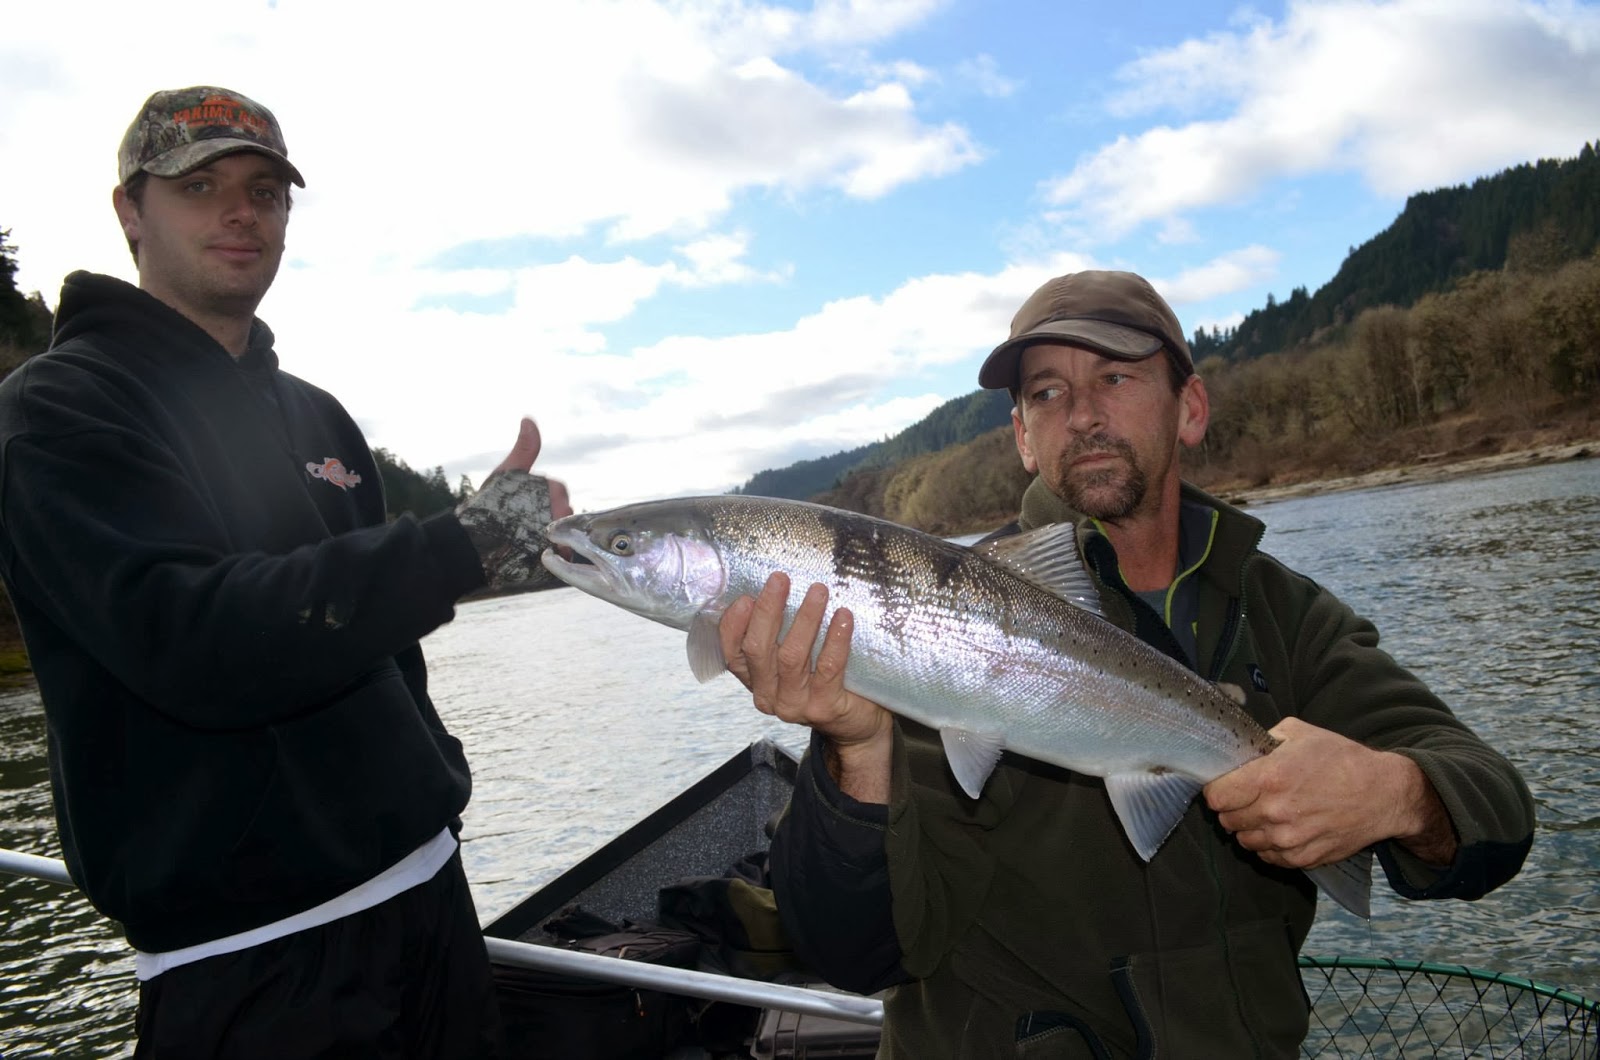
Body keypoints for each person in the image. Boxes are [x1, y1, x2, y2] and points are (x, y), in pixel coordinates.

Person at [717, 270, 1536, 1058]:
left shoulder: (1287, 616)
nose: (1080, 415)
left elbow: (1495, 810)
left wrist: (1396, 797)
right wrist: (856, 748)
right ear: (1022, 440)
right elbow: (854, 953)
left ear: (1190, 408)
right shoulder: (926, 632)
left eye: (1115, 378)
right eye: (1047, 393)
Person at [0, 86, 569, 1057]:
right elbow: (191, 638)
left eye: (266, 191)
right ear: (130, 211)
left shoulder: (319, 418)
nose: (240, 211)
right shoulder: (58, 411)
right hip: (249, 962)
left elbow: (386, 655)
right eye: (201, 185)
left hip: (431, 898)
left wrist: (435, 778)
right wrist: (455, 544)